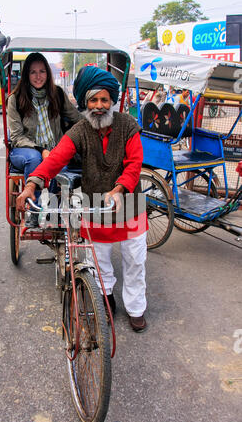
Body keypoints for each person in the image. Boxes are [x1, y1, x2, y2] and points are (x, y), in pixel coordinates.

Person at [16, 65, 149, 332]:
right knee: (98, 258)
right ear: (85, 102)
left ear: (112, 101)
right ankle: (106, 297)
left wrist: (120, 188)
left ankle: (136, 308)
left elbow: (135, 163)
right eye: (93, 100)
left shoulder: (128, 125)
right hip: (95, 202)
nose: (99, 105)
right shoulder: (79, 130)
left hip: (130, 201)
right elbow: (54, 160)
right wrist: (32, 184)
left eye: (104, 99)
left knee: (135, 258)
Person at [7, 52, 82, 226]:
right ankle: (33, 209)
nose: (38, 76)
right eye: (33, 72)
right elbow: (17, 136)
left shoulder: (57, 94)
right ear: (27, 75)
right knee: (35, 159)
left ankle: (54, 208)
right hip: (25, 149)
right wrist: (41, 150)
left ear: (48, 73)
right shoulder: (15, 99)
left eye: (42, 71)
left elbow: (77, 118)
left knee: (60, 165)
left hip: (54, 148)